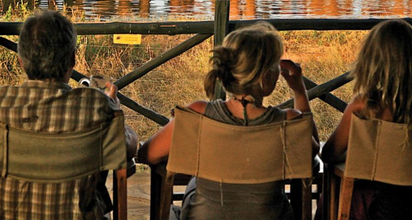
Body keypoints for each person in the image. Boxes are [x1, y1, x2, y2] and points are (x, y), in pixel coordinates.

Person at [0, 9, 138, 220]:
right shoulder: (97, 104)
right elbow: (129, 149)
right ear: (72, 60)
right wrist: (116, 109)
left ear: (21, 61)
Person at [137, 21, 319, 220]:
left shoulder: (198, 114)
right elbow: (310, 154)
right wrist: (299, 90)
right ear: (265, 77)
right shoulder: (288, 122)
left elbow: (147, 154)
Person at [321, 19, 412, 220]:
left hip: (395, 212)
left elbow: (329, 154)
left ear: (372, 61)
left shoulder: (366, 105)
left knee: (349, 187)